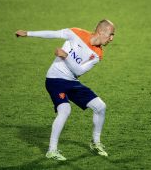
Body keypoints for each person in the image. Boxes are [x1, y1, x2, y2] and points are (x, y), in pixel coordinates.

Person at [15, 19, 115, 161]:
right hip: (54, 79)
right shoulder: (76, 33)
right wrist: (28, 33)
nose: (112, 38)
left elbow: (79, 70)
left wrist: (66, 56)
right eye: (111, 34)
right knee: (65, 110)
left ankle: (95, 142)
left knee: (100, 107)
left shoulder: (98, 54)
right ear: (101, 31)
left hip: (72, 82)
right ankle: (52, 150)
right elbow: (53, 34)